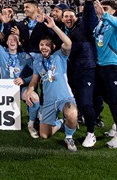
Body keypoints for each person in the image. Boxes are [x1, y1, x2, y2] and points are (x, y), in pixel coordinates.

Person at [24, 15, 78, 152]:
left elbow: (68, 43)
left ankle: (69, 137)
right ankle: (60, 122)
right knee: (44, 134)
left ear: (52, 47)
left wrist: (53, 26)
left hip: (64, 98)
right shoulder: (37, 62)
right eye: (41, 45)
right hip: (48, 102)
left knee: (71, 113)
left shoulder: (59, 56)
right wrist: (29, 90)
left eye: (47, 45)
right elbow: (34, 80)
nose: (44, 47)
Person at [61, 0, 103, 148]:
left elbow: (90, 20)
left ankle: (91, 133)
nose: (69, 18)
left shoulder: (83, 26)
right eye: (66, 16)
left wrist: (88, 1)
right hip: (73, 71)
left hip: (86, 69)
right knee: (78, 101)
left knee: (86, 103)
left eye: (71, 15)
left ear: (76, 17)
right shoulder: (65, 31)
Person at [93, 0, 117, 148]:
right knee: (106, 97)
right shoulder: (100, 25)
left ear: (114, 10)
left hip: (114, 66)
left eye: (106, 8)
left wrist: (105, 15)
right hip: (101, 67)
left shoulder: (116, 24)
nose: (101, 11)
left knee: (116, 100)